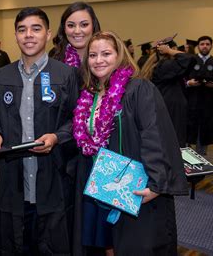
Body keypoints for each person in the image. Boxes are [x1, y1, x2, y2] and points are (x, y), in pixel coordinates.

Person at [72, 31, 187, 255]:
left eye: (106, 53)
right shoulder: (91, 95)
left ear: (119, 56)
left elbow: (154, 135)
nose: (99, 60)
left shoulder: (138, 89)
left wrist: (156, 184)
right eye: (93, 55)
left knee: (138, 246)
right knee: (112, 245)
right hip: (105, 186)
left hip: (138, 187)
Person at [0, 7, 79, 254]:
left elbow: (76, 120)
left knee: (51, 244)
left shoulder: (66, 75)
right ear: (15, 36)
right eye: (22, 29)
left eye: (36, 29)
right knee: (14, 245)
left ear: (48, 34)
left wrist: (56, 137)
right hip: (13, 178)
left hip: (52, 177)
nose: (28, 35)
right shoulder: (0, 76)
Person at [140, 40, 196, 147]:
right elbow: (190, 58)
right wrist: (169, 50)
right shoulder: (165, 65)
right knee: (173, 143)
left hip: (164, 106)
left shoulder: (156, 67)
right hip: (171, 109)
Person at [186, 35, 213, 155]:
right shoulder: (190, 60)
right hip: (192, 102)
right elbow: (181, 79)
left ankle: (203, 160)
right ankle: (188, 160)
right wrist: (189, 83)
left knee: (204, 132)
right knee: (189, 131)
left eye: (207, 44)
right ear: (198, 46)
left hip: (209, 104)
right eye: (202, 44)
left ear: (211, 46)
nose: (205, 46)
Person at [49, 1, 101, 67]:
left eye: (84, 25)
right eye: (71, 25)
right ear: (64, 29)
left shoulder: (106, 59)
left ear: (93, 26)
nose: (77, 31)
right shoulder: (53, 58)